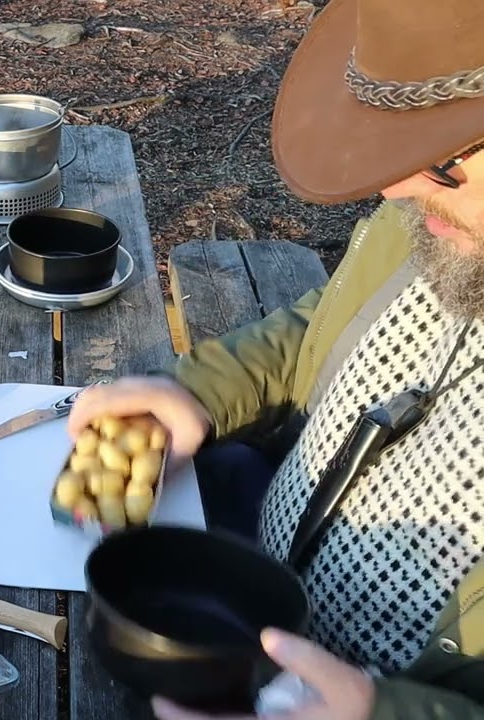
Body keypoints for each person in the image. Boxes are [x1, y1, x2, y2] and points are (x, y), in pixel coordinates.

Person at [67, 0, 484, 718]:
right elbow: (327, 329)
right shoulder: (440, 216)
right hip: (250, 570)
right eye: (399, 147)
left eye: (445, 159)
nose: (394, 188)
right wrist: (202, 392)